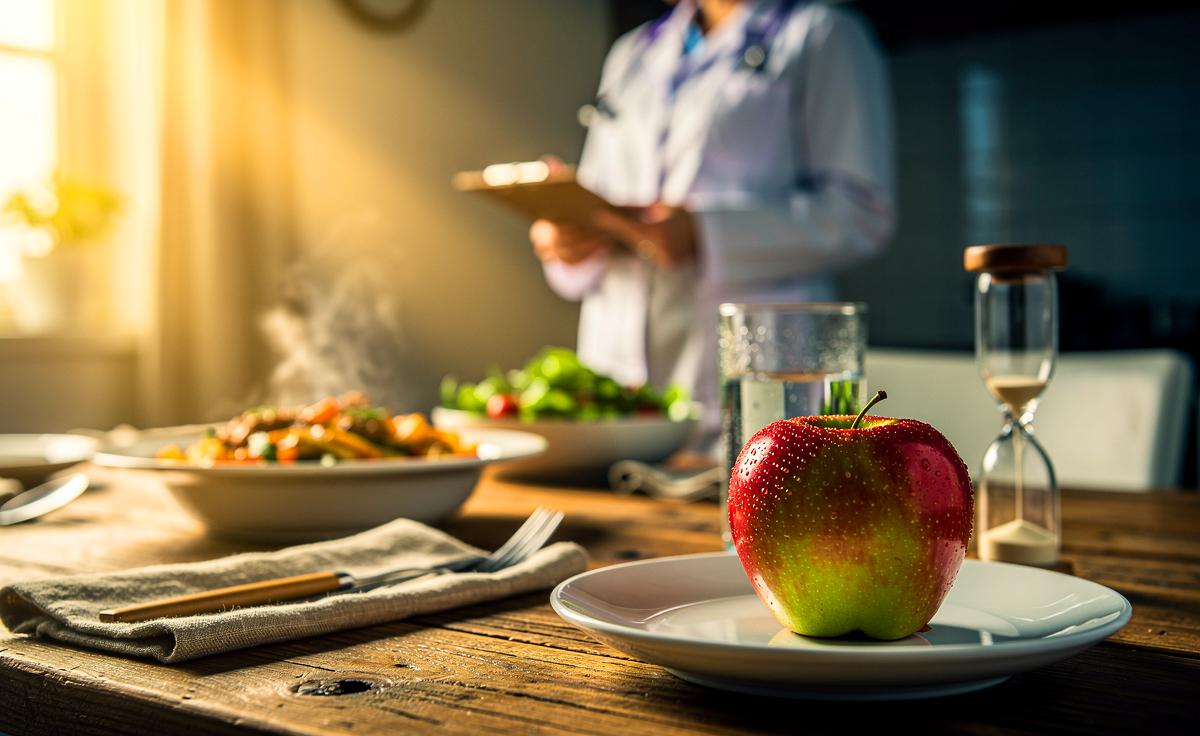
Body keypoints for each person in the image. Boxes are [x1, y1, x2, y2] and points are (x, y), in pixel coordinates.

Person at [529, 0, 894, 454]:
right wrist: (568, 240)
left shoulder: (821, 35)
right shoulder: (632, 54)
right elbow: (601, 200)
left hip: (756, 375)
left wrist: (704, 234)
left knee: (759, 501)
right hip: (615, 384)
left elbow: (859, 213)